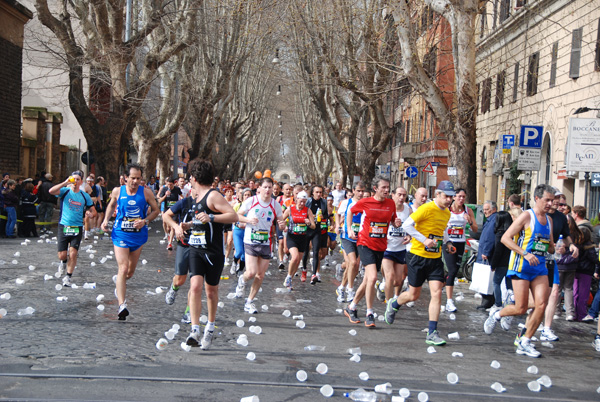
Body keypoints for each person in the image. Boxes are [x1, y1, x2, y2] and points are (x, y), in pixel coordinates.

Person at [167, 160, 237, 348]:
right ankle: (195, 329)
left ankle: (210, 327)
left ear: (195, 178)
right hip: (196, 249)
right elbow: (201, 221)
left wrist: (212, 216)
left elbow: (233, 215)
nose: (189, 180)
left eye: (190, 176)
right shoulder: (196, 197)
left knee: (211, 291)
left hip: (213, 252)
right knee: (195, 286)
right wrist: (188, 225)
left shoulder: (213, 196)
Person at [486, 184, 556, 358]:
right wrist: (524, 253)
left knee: (541, 305)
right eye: (547, 200)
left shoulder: (549, 220)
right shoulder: (526, 216)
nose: (550, 204)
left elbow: (551, 247)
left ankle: (525, 341)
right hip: (521, 266)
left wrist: (557, 248)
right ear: (537, 198)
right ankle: (498, 313)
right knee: (521, 308)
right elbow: (505, 238)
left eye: (552, 201)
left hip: (539, 267)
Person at [384, 180, 455, 346]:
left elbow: (442, 229)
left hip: (435, 258)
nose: (449, 200)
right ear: (438, 194)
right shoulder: (426, 208)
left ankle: (432, 332)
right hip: (417, 256)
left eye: (451, 197)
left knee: (437, 292)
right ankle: (394, 304)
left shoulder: (446, 213)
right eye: (446, 196)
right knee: (413, 295)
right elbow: (407, 225)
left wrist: (448, 242)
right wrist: (424, 240)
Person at [102, 163, 160, 320]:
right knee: (123, 267)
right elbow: (111, 205)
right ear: (125, 178)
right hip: (120, 234)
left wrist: (145, 221)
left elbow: (156, 211)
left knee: (130, 272)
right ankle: (122, 305)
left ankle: (119, 284)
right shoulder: (117, 191)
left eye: (138, 179)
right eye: (133, 178)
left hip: (138, 235)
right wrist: (106, 220)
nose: (135, 182)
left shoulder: (146, 193)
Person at [343, 176, 400, 328]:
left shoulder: (390, 203)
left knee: (368, 280)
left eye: (388, 187)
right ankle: (369, 313)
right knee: (373, 277)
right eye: (383, 188)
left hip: (380, 246)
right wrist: (349, 230)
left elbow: (393, 220)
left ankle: (351, 307)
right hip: (365, 243)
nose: (387, 190)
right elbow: (350, 212)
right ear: (375, 188)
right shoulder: (366, 202)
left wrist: (396, 223)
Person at [235, 177, 285, 313]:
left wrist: (282, 225)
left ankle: (249, 301)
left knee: (260, 275)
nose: (268, 190)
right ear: (259, 189)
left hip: (266, 242)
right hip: (250, 240)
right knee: (251, 272)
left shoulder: (275, 205)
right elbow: (237, 215)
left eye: (270, 187)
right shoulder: (251, 201)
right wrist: (248, 220)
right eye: (265, 187)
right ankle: (242, 279)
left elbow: (282, 223)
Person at [49, 172, 96, 286]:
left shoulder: (84, 196)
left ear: (81, 182)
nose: (75, 181)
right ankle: (63, 262)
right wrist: (65, 183)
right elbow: (51, 191)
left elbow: (93, 210)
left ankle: (68, 277)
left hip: (77, 227)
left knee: (73, 254)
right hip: (64, 226)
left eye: (78, 179)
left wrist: (91, 214)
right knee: (62, 255)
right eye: (73, 179)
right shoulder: (65, 191)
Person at [162, 187, 197, 320]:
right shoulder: (185, 202)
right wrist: (176, 227)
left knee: (195, 284)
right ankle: (173, 288)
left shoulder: (208, 203)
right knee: (180, 280)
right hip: (185, 244)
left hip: (200, 247)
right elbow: (165, 215)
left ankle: (189, 312)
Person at [442, 189, 478, 312]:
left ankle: (443, 282)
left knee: (454, 270)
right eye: (458, 196)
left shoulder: (468, 210)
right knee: (452, 270)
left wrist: (470, 221)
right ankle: (449, 301)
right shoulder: (447, 210)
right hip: (449, 243)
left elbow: (475, 228)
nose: (461, 199)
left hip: (461, 243)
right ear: (454, 197)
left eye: (463, 197)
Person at [335, 181, 365, 302]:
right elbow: (337, 214)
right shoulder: (347, 203)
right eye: (358, 191)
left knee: (355, 266)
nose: (361, 193)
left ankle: (341, 287)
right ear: (353, 191)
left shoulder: (365, 204)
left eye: (362, 191)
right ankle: (350, 289)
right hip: (346, 237)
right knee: (352, 262)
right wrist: (337, 225)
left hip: (360, 238)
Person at [381, 186, 411, 302]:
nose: (402, 197)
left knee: (398, 281)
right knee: (390, 277)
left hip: (400, 248)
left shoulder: (408, 210)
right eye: (399, 194)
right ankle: (389, 304)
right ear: (392, 195)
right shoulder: (386, 207)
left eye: (404, 195)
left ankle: (382, 286)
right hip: (387, 248)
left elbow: (412, 226)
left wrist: (409, 236)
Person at [282, 191, 316, 289]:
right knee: (295, 257)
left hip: (303, 238)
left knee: (298, 261)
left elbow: (313, 226)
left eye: (304, 202)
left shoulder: (307, 210)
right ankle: (288, 276)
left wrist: (309, 223)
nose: (302, 204)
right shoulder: (290, 209)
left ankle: (289, 280)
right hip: (292, 237)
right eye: (301, 201)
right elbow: (281, 220)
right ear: (296, 200)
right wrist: (283, 226)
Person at [488, 210, 516, 316]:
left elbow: (497, 251)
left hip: (501, 263)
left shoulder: (499, 234)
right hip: (511, 263)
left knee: (496, 282)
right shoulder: (512, 234)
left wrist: (493, 264)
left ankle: (498, 303)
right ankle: (510, 303)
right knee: (509, 284)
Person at [300, 185, 329, 284]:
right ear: (312, 193)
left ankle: (314, 274)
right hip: (307, 229)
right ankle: (304, 270)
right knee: (306, 252)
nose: (319, 194)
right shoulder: (308, 201)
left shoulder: (324, 202)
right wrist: (308, 218)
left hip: (317, 229)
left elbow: (326, 215)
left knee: (316, 251)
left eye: (320, 192)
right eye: (317, 192)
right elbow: (302, 212)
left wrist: (323, 216)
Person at [476, 200, 498, 309]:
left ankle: (487, 301)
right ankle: (487, 301)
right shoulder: (490, 220)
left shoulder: (493, 220)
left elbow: (489, 238)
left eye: (487, 209)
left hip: (486, 254)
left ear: (493, 209)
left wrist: (486, 251)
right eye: (484, 209)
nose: (485, 212)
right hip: (484, 252)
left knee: (485, 279)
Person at [158, 177, 182, 250]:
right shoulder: (164, 189)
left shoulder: (177, 189)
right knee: (168, 227)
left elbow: (181, 195)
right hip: (167, 210)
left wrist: (181, 199)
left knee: (172, 226)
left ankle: (170, 243)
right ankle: (167, 234)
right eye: (168, 185)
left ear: (174, 184)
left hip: (174, 210)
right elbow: (159, 201)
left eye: (171, 185)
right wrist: (165, 195)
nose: (169, 186)